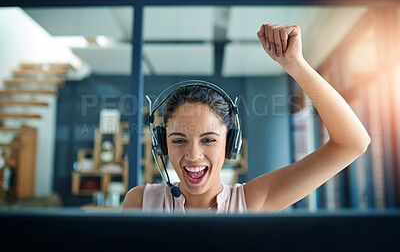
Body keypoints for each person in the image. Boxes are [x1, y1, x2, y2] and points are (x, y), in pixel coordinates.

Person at [122, 24, 371, 213]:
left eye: (208, 140)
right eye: (178, 140)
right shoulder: (141, 201)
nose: (193, 155)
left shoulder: (252, 202)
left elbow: (352, 143)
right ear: (162, 144)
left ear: (231, 143)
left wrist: (297, 64)